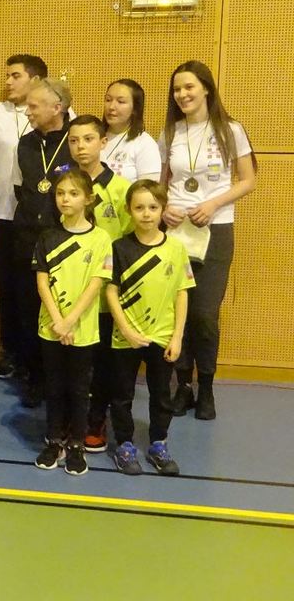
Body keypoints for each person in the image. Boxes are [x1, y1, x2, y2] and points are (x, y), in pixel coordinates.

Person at [161, 61, 256, 420]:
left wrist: (214, 204)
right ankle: (183, 385)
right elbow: (160, 182)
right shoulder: (171, 132)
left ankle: (207, 387)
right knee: (179, 310)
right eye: (176, 89)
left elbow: (248, 180)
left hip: (215, 229)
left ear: (206, 88)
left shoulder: (230, 129)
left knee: (204, 313)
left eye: (188, 87)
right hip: (176, 232)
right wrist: (165, 208)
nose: (182, 94)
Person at [105, 181, 193, 476]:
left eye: (153, 207)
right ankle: (124, 445)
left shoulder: (176, 249)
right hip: (126, 337)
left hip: (163, 335)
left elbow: (182, 293)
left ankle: (158, 443)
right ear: (129, 211)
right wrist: (125, 329)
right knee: (122, 394)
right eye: (139, 207)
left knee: (161, 394)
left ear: (162, 210)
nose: (146, 214)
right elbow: (111, 291)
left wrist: (177, 337)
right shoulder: (119, 248)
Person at [32, 170, 113, 477]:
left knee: (79, 389)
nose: (65, 199)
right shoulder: (47, 237)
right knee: (54, 387)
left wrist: (70, 321)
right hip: (50, 327)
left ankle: (77, 444)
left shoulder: (101, 239)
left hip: (82, 329)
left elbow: (96, 284)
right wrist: (57, 321)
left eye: (73, 193)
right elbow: (42, 282)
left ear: (88, 199)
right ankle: (54, 441)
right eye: (60, 193)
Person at [0, 54, 47, 380]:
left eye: (15, 75)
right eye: (7, 76)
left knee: (41, 290)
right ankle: (13, 355)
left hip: (47, 220)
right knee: (10, 289)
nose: (8, 82)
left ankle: (42, 360)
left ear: (36, 79)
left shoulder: (60, 112)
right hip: (6, 215)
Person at [66, 115, 133, 454]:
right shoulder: (65, 186)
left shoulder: (120, 189)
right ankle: (70, 420)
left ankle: (96, 421)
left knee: (104, 364)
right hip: (71, 293)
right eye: (74, 140)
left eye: (88, 139)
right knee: (74, 364)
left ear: (103, 142)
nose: (81, 147)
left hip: (105, 296)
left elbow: (129, 243)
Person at [12, 78, 75, 407]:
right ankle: (33, 377)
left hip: (63, 238)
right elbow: (20, 188)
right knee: (27, 308)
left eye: (34, 106)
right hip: (27, 236)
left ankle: (63, 380)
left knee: (61, 307)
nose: (28, 112)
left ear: (57, 107)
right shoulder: (25, 143)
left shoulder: (75, 140)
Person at [102, 79, 162, 183]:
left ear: (135, 108)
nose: (111, 107)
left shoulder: (145, 143)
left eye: (121, 102)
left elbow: (148, 189)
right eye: (108, 100)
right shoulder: (94, 136)